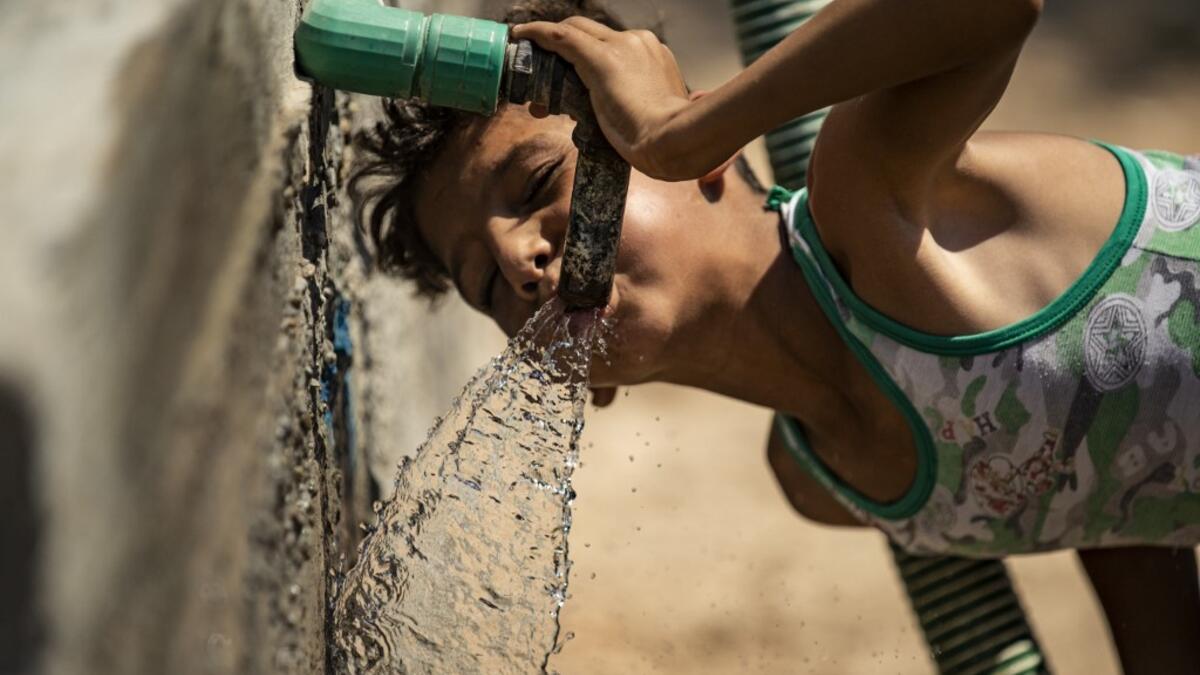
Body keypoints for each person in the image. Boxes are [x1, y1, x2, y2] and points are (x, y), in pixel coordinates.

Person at [351, 0, 1200, 671]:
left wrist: (686, 125)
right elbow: (1117, 487)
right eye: (488, 282)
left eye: (538, 181)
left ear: (704, 151)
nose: (520, 258)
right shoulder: (820, 481)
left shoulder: (871, 202)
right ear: (580, 383)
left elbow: (997, 6)